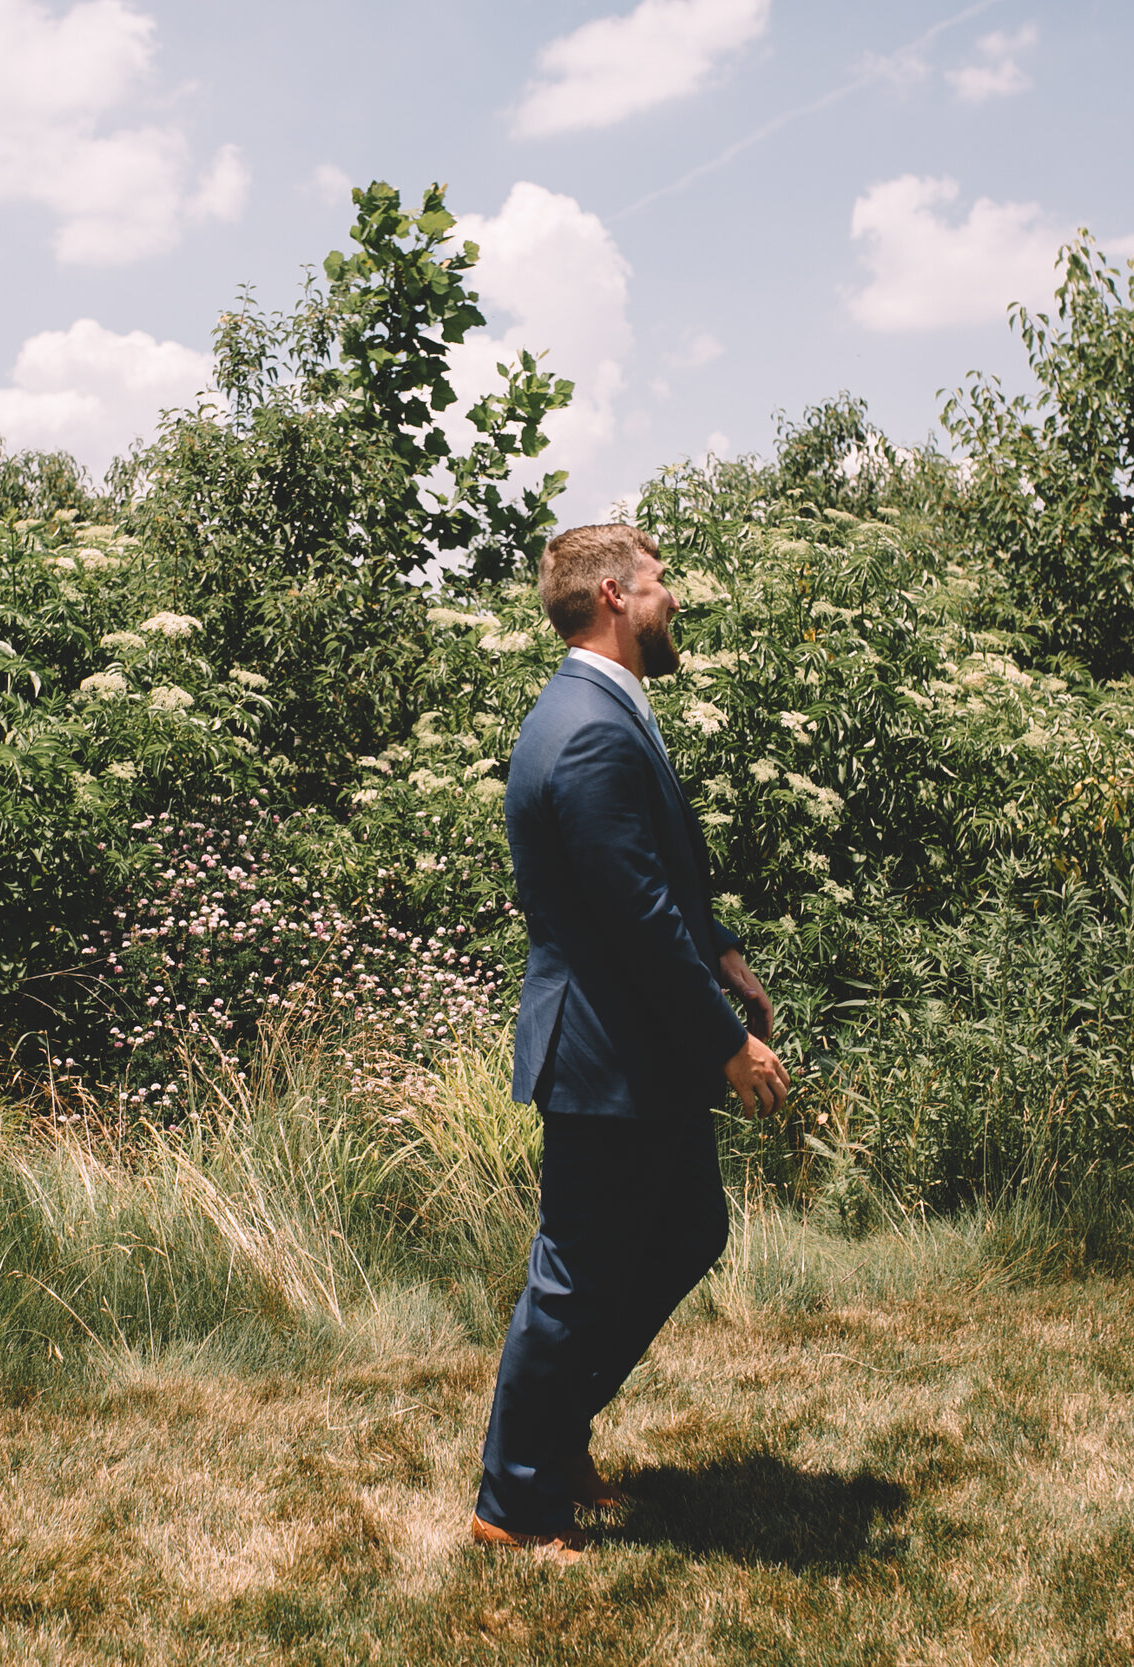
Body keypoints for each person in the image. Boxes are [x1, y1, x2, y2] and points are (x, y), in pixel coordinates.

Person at [470, 523, 790, 1561]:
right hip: (608, 1049)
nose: (673, 600)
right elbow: (634, 916)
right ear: (612, 593)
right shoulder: (590, 724)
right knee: (576, 1273)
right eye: (659, 584)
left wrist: (727, 952)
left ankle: (554, 1432)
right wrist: (724, 1044)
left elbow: (658, 874)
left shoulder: (599, 708)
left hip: (627, 1045)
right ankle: (513, 1499)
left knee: (686, 1227)